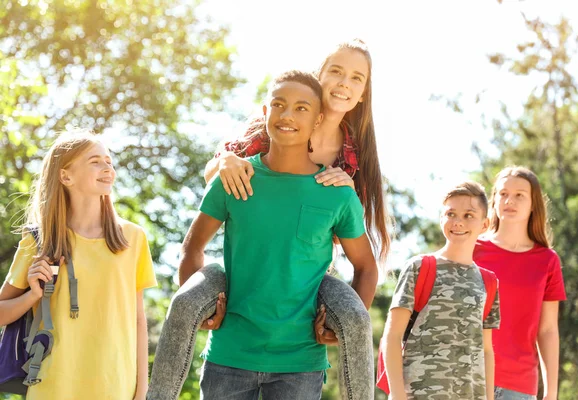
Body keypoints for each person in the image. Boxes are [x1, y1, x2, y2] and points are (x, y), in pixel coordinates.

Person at [149, 40, 387, 400]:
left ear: (362, 94)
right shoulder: (270, 126)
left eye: (356, 78)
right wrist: (227, 159)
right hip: (247, 276)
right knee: (185, 302)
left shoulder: (353, 155)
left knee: (355, 319)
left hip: (313, 278)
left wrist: (343, 187)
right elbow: (217, 173)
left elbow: (358, 248)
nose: (344, 82)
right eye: (336, 71)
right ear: (318, 75)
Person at [0, 129, 157, 399]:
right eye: (95, 161)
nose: (107, 167)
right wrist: (32, 295)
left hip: (114, 387)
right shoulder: (39, 240)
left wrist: (141, 390)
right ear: (66, 176)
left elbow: (138, 320)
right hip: (51, 386)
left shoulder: (131, 238)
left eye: (109, 161)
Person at [380, 181, 500, 400]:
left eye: (468, 215)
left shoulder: (488, 281)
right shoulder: (419, 267)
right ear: (441, 218)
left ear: (485, 224)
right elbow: (392, 335)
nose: (458, 222)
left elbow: (486, 350)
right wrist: (397, 395)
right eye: (451, 214)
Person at [473, 167, 566, 400]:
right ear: (494, 201)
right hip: (468, 377)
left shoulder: (547, 261)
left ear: (533, 204)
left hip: (518, 386)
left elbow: (547, 330)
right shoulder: (471, 249)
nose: (509, 200)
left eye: (519, 195)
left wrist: (551, 392)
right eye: (503, 194)